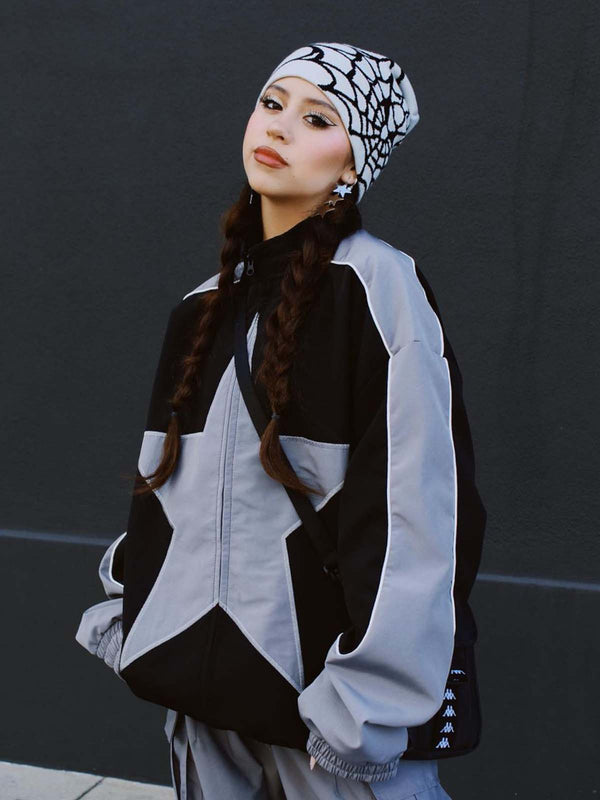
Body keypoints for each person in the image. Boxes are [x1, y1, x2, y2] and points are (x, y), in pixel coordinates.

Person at [75, 42, 486, 800]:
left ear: (354, 163)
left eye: (317, 116)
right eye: (272, 104)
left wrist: (364, 704)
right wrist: (134, 608)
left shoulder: (380, 289)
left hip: (327, 717)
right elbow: (163, 489)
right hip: (203, 705)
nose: (281, 128)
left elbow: (415, 512)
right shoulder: (203, 305)